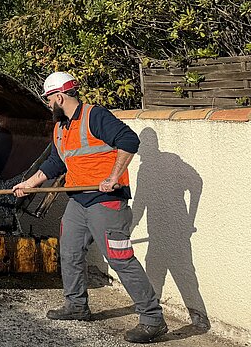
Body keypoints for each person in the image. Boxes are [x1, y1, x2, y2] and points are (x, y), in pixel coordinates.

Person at [12, 71, 167, 344]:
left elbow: (130, 141)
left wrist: (112, 177)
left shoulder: (95, 116)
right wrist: (29, 184)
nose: (48, 105)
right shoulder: (61, 127)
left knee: (120, 259)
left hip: (105, 202)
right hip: (78, 200)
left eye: (49, 99)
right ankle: (76, 305)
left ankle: (152, 319)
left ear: (59, 96)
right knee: (69, 250)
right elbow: (56, 163)